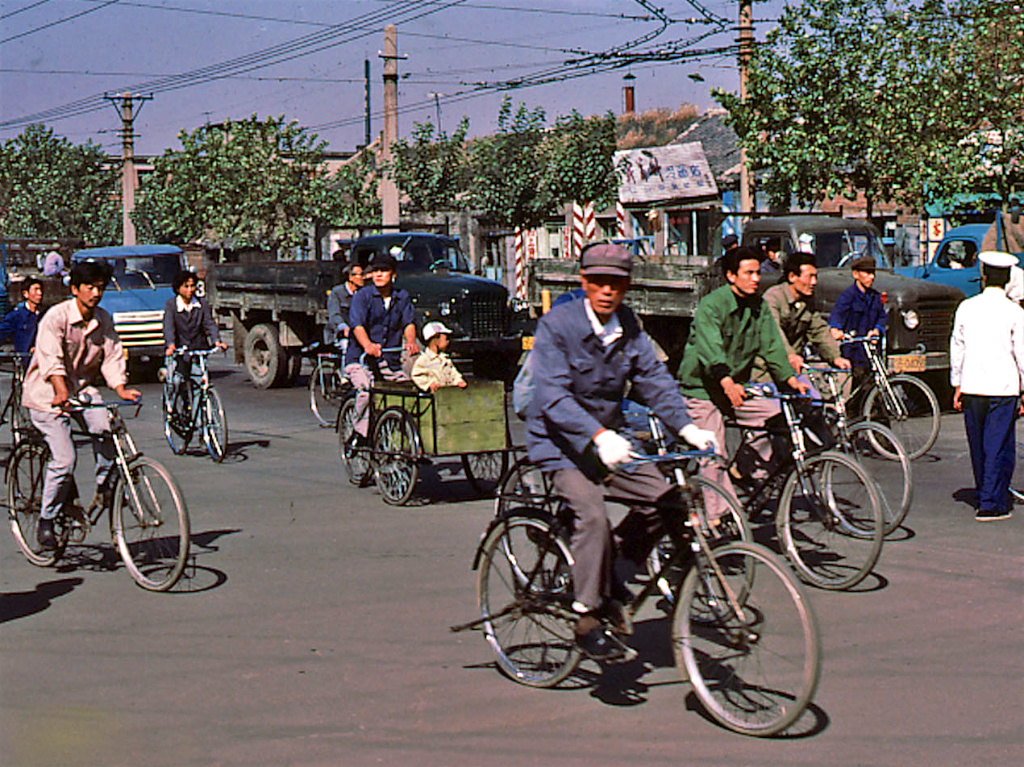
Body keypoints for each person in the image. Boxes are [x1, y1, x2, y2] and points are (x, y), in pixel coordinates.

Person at [527, 242, 716, 661]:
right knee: (592, 514)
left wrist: (686, 426)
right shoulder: (557, 325)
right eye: (597, 282)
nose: (607, 291)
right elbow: (553, 396)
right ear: (584, 282)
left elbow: (652, 379)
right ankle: (587, 614)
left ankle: (612, 573)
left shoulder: (628, 325)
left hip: (607, 440)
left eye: (615, 283)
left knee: (667, 502)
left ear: (627, 286)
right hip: (560, 442)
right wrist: (597, 436)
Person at [677, 246, 809, 518]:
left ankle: (744, 471)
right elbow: (711, 349)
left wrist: (790, 379)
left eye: (758, 273)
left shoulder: (758, 306)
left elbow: (772, 346)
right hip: (703, 389)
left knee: (776, 417)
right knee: (713, 452)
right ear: (730, 276)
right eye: (748, 273)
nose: (756, 279)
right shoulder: (712, 305)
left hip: (736, 386)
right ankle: (720, 519)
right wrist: (726, 382)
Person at [23, 260, 141, 549]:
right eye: (89, 287)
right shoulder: (56, 316)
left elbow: (113, 353)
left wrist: (120, 387)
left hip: (81, 389)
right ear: (75, 289)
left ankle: (104, 486)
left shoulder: (103, 318)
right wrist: (60, 390)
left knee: (106, 427)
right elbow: (50, 358)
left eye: (100, 287)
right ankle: (46, 520)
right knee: (65, 459)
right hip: (46, 393)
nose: (95, 293)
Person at [950, 251, 1024, 521]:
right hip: (1003, 387)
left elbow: (957, 346)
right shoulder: (1014, 312)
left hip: (972, 384)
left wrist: (956, 384)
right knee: (997, 443)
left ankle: (988, 490)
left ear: (983, 276)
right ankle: (990, 503)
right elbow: (1022, 355)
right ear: (1007, 281)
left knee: (979, 443)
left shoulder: (967, 307)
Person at [344, 251, 420, 442]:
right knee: (366, 390)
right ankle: (358, 434)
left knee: (408, 391)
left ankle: (409, 440)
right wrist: (368, 345)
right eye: (375, 270)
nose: (378, 274)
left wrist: (410, 341)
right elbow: (357, 325)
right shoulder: (362, 296)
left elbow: (408, 322)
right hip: (360, 360)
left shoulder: (401, 297)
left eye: (384, 270)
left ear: (393, 274)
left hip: (389, 361)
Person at [753, 252, 850, 386]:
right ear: (792, 276)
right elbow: (774, 333)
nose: (814, 282)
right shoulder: (773, 298)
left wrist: (835, 357)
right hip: (767, 370)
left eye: (815, 277)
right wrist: (790, 355)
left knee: (816, 397)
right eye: (810, 277)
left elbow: (819, 330)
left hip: (795, 368)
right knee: (776, 405)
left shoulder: (807, 303)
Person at [162, 270, 226, 412]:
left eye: (192, 286)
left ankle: (199, 421)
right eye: (186, 286)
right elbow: (168, 326)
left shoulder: (201, 304)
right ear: (178, 288)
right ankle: (172, 407)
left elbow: (209, 323)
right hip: (179, 351)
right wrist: (171, 345)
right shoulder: (171, 305)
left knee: (200, 382)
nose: (190, 290)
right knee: (176, 381)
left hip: (198, 349)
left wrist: (217, 341)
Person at [829, 255, 887, 394]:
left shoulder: (875, 297)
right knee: (856, 386)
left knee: (874, 384)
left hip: (871, 351)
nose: (871, 277)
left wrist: (877, 330)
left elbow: (882, 316)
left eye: (873, 273)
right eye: (867, 273)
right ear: (856, 274)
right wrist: (836, 329)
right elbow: (837, 315)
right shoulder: (847, 296)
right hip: (854, 351)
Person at [411, 321, 466, 392]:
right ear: (436, 338)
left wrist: (458, 381)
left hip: (447, 393)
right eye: (446, 339)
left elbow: (453, 373)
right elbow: (417, 375)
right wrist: (429, 384)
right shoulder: (424, 359)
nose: (448, 342)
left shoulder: (445, 359)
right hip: (433, 396)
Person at [0, 277, 44, 362]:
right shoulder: (17, 315)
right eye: (35, 290)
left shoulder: (45, 315)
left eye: (41, 290)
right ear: (26, 294)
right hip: (25, 361)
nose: (39, 293)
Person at [324, 261, 365, 346]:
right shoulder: (337, 292)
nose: (363, 278)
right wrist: (344, 327)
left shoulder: (362, 294)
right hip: (339, 335)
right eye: (360, 275)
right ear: (351, 277)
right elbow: (334, 315)